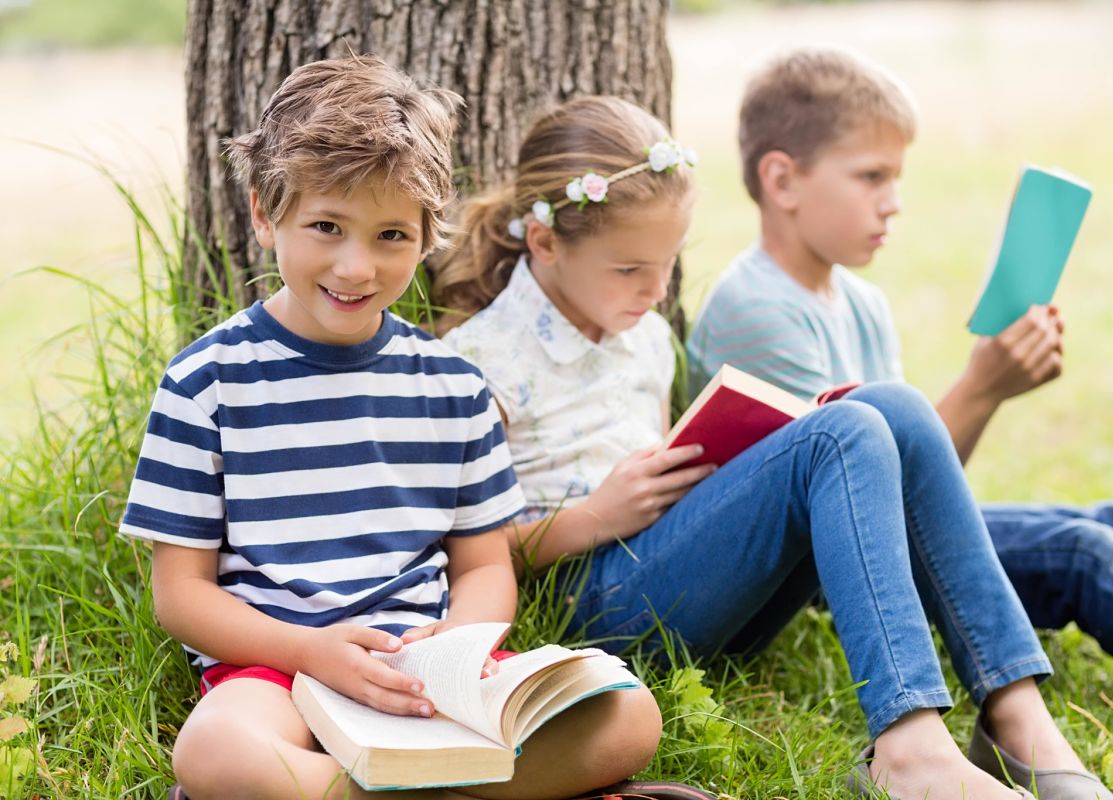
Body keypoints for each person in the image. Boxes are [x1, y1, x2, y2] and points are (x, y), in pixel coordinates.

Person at [435, 95, 1112, 800]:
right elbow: (464, 554)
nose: (658, 289)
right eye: (630, 269)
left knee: (894, 408)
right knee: (842, 434)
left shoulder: (643, 337)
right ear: (545, 245)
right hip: (591, 608)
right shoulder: (481, 361)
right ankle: (909, 750)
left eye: (669, 264)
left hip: (689, 588)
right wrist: (592, 518)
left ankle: (1016, 714)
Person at [119, 56, 697, 800]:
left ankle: (365, 791)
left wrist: (454, 641)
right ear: (266, 214)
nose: (356, 265)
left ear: (428, 236)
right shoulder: (206, 383)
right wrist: (312, 651)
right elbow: (182, 596)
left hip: (429, 672)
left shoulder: (452, 385)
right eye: (326, 226)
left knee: (626, 713)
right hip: (276, 668)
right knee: (215, 749)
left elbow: (486, 565)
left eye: (392, 234)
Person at [686, 46, 1113, 704]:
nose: (894, 203)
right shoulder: (756, 310)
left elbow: (927, 479)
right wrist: (982, 385)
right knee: (1085, 555)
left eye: (896, 178)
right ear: (783, 181)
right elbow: (854, 514)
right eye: (871, 177)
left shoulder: (859, 301)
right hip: (833, 579)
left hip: (899, 534)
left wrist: (990, 388)